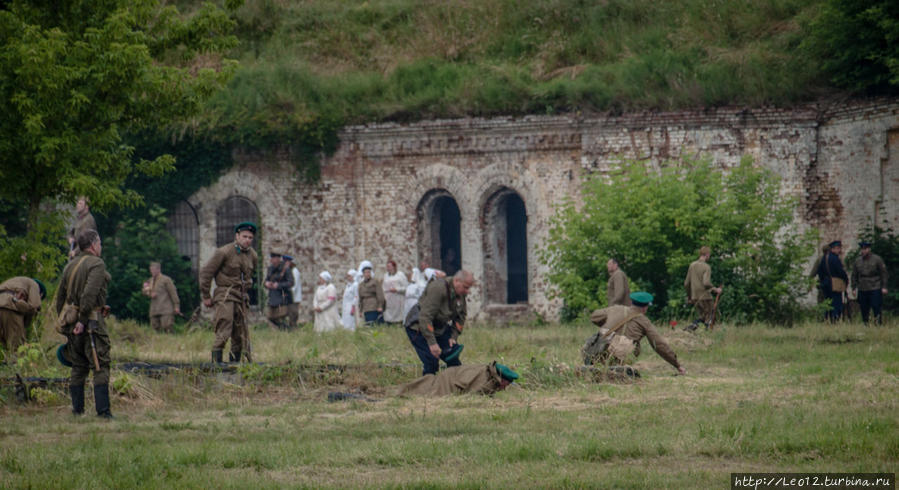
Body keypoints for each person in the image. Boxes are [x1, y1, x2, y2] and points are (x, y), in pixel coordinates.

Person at [56, 229, 114, 417]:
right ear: (93, 245)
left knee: (78, 366)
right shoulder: (96, 263)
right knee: (100, 364)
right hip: (91, 323)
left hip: (72, 322)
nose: (101, 246)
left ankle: (77, 411)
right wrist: (82, 321)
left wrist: (67, 323)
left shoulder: (70, 265)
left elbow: (60, 298)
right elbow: (88, 296)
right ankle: (103, 412)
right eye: (100, 242)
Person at [199, 222, 258, 363]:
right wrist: (206, 295)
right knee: (225, 325)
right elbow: (206, 273)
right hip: (225, 294)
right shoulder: (224, 252)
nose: (247, 240)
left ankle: (235, 364)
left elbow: (251, 274)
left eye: (250, 237)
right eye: (244, 236)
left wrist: (247, 285)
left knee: (240, 332)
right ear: (237, 236)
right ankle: (216, 363)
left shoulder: (253, 255)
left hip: (241, 296)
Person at [586, 292, 686, 375]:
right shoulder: (643, 321)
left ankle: (594, 366)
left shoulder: (615, 309)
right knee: (635, 346)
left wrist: (607, 325)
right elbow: (659, 344)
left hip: (597, 352)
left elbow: (594, 316)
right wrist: (677, 365)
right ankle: (619, 366)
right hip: (618, 357)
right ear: (645, 307)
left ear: (632, 302)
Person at [404, 269, 474, 375]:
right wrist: (432, 343)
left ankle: (456, 385)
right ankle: (428, 387)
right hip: (418, 327)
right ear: (456, 281)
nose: (467, 291)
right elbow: (425, 316)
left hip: (439, 327)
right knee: (431, 360)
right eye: (465, 287)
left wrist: (453, 337)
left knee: (452, 357)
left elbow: (461, 316)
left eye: (469, 288)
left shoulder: (460, 293)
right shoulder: (438, 288)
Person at [394, 362, 519, 397]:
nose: (504, 388)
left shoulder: (488, 373)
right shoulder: (486, 379)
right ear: (501, 379)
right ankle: (396, 391)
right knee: (422, 391)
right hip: (448, 381)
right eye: (505, 385)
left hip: (451, 376)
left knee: (423, 385)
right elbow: (472, 394)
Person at [0, 277, 46, 362]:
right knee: (17, 348)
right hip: (10, 307)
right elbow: (33, 306)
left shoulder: (13, 282)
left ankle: (5, 366)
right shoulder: (34, 284)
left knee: (5, 344)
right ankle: (15, 371)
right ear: (40, 294)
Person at [684, 246, 722, 331]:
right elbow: (706, 283)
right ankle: (706, 333)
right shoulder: (706, 267)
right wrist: (716, 289)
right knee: (711, 315)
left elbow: (686, 283)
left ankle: (692, 327)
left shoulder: (692, 265)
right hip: (705, 296)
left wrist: (689, 296)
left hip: (694, 296)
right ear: (707, 255)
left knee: (702, 316)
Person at [851, 241, 888, 325]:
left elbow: (884, 273)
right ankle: (865, 324)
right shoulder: (858, 261)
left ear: (869, 249)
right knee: (864, 308)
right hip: (862, 287)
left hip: (875, 286)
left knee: (876, 307)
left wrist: (884, 286)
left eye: (865, 249)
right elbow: (854, 275)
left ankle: (878, 323)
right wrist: (853, 287)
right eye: (862, 249)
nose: (863, 251)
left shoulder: (877, 259)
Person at [141, 261, 180, 333]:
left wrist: (176, 306)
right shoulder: (150, 280)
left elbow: (173, 292)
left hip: (166, 309)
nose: (152, 272)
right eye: (151, 270)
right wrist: (148, 293)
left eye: (153, 270)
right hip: (154, 309)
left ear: (158, 269)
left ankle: (171, 342)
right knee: (154, 330)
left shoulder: (166, 280)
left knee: (167, 327)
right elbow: (144, 291)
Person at [817, 240, 849, 323]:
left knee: (828, 303)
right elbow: (841, 272)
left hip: (826, 283)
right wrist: (846, 280)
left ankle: (827, 319)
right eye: (838, 248)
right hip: (835, 284)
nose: (839, 250)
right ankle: (835, 320)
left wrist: (823, 280)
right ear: (833, 249)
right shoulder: (835, 258)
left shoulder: (824, 258)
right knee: (836, 303)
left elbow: (820, 271)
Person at [264, 252, 294, 330]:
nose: (273, 260)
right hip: (272, 297)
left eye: (275, 258)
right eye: (272, 258)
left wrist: (278, 285)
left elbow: (291, 282)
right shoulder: (270, 269)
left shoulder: (285, 269)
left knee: (282, 316)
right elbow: (266, 280)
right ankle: (284, 329)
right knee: (270, 317)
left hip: (282, 297)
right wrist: (266, 283)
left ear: (278, 259)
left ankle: (287, 331)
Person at [357, 260, 384, 325]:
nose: (367, 274)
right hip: (366, 307)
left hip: (374, 306)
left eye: (368, 272)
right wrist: (360, 310)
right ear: (363, 274)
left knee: (374, 324)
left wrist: (380, 306)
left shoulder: (375, 282)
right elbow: (360, 298)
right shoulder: (361, 285)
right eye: (365, 272)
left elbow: (380, 294)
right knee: (368, 324)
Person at [382, 260, 409, 324]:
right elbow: (383, 287)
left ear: (394, 267)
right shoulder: (386, 275)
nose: (388, 268)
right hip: (389, 300)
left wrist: (397, 289)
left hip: (398, 298)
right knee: (388, 315)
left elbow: (406, 287)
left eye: (389, 266)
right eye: (387, 266)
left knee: (399, 316)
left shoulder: (400, 275)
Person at [284, 255, 302, 328]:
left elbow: (293, 287)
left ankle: (294, 329)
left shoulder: (295, 271)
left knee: (293, 315)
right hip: (290, 298)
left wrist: (287, 295)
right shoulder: (290, 271)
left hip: (294, 298)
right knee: (290, 315)